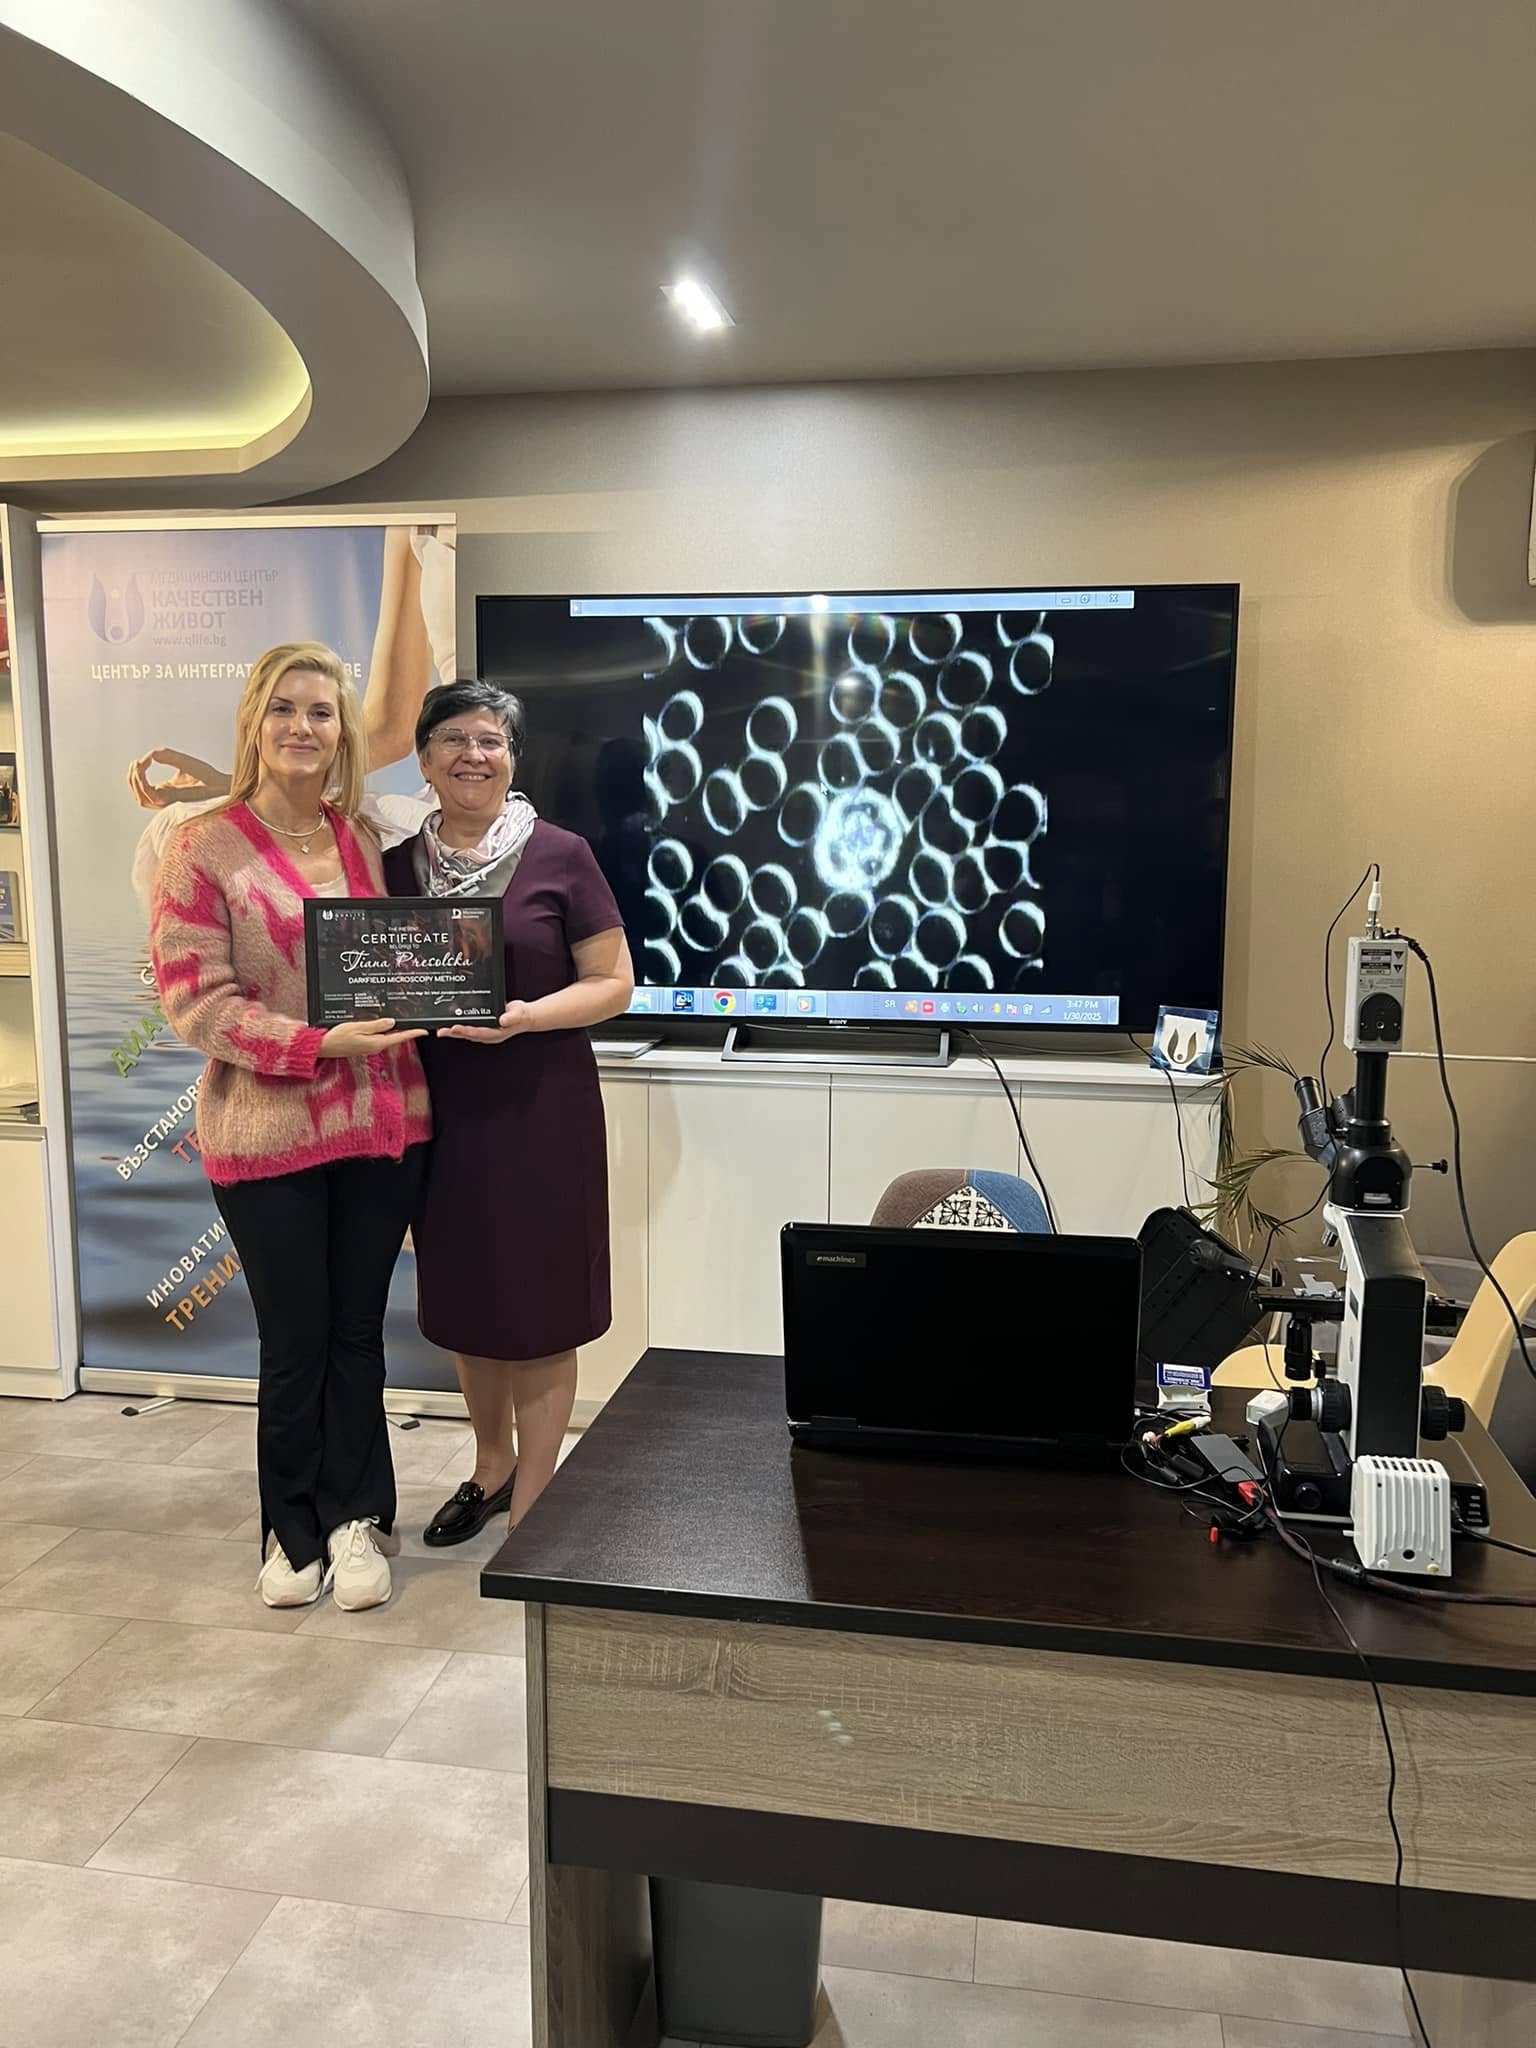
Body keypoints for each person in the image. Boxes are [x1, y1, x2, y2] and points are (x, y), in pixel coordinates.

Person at [151, 643, 432, 1612]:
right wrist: (317, 1043)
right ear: (253, 723)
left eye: (321, 710)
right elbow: (196, 1002)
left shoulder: (366, 839)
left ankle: (357, 1518)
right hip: (266, 1137)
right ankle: (291, 1529)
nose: (302, 727)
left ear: (343, 731)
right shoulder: (201, 846)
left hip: (380, 1130)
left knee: (357, 1334)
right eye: (284, 707)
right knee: (296, 1339)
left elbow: (406, 965)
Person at [384, 680, 634, 1541]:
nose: (472, 754)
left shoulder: (562, 855)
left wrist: (524, 1017)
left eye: (490, 739)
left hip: (541, 1115)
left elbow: (613, 984)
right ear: (424, 759)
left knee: (541, 1307)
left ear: (513, 759)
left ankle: (536, 1489)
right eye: (453, 738)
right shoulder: (393, 870)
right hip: (441, 1118)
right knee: (466, 1302)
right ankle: (489, 1468)